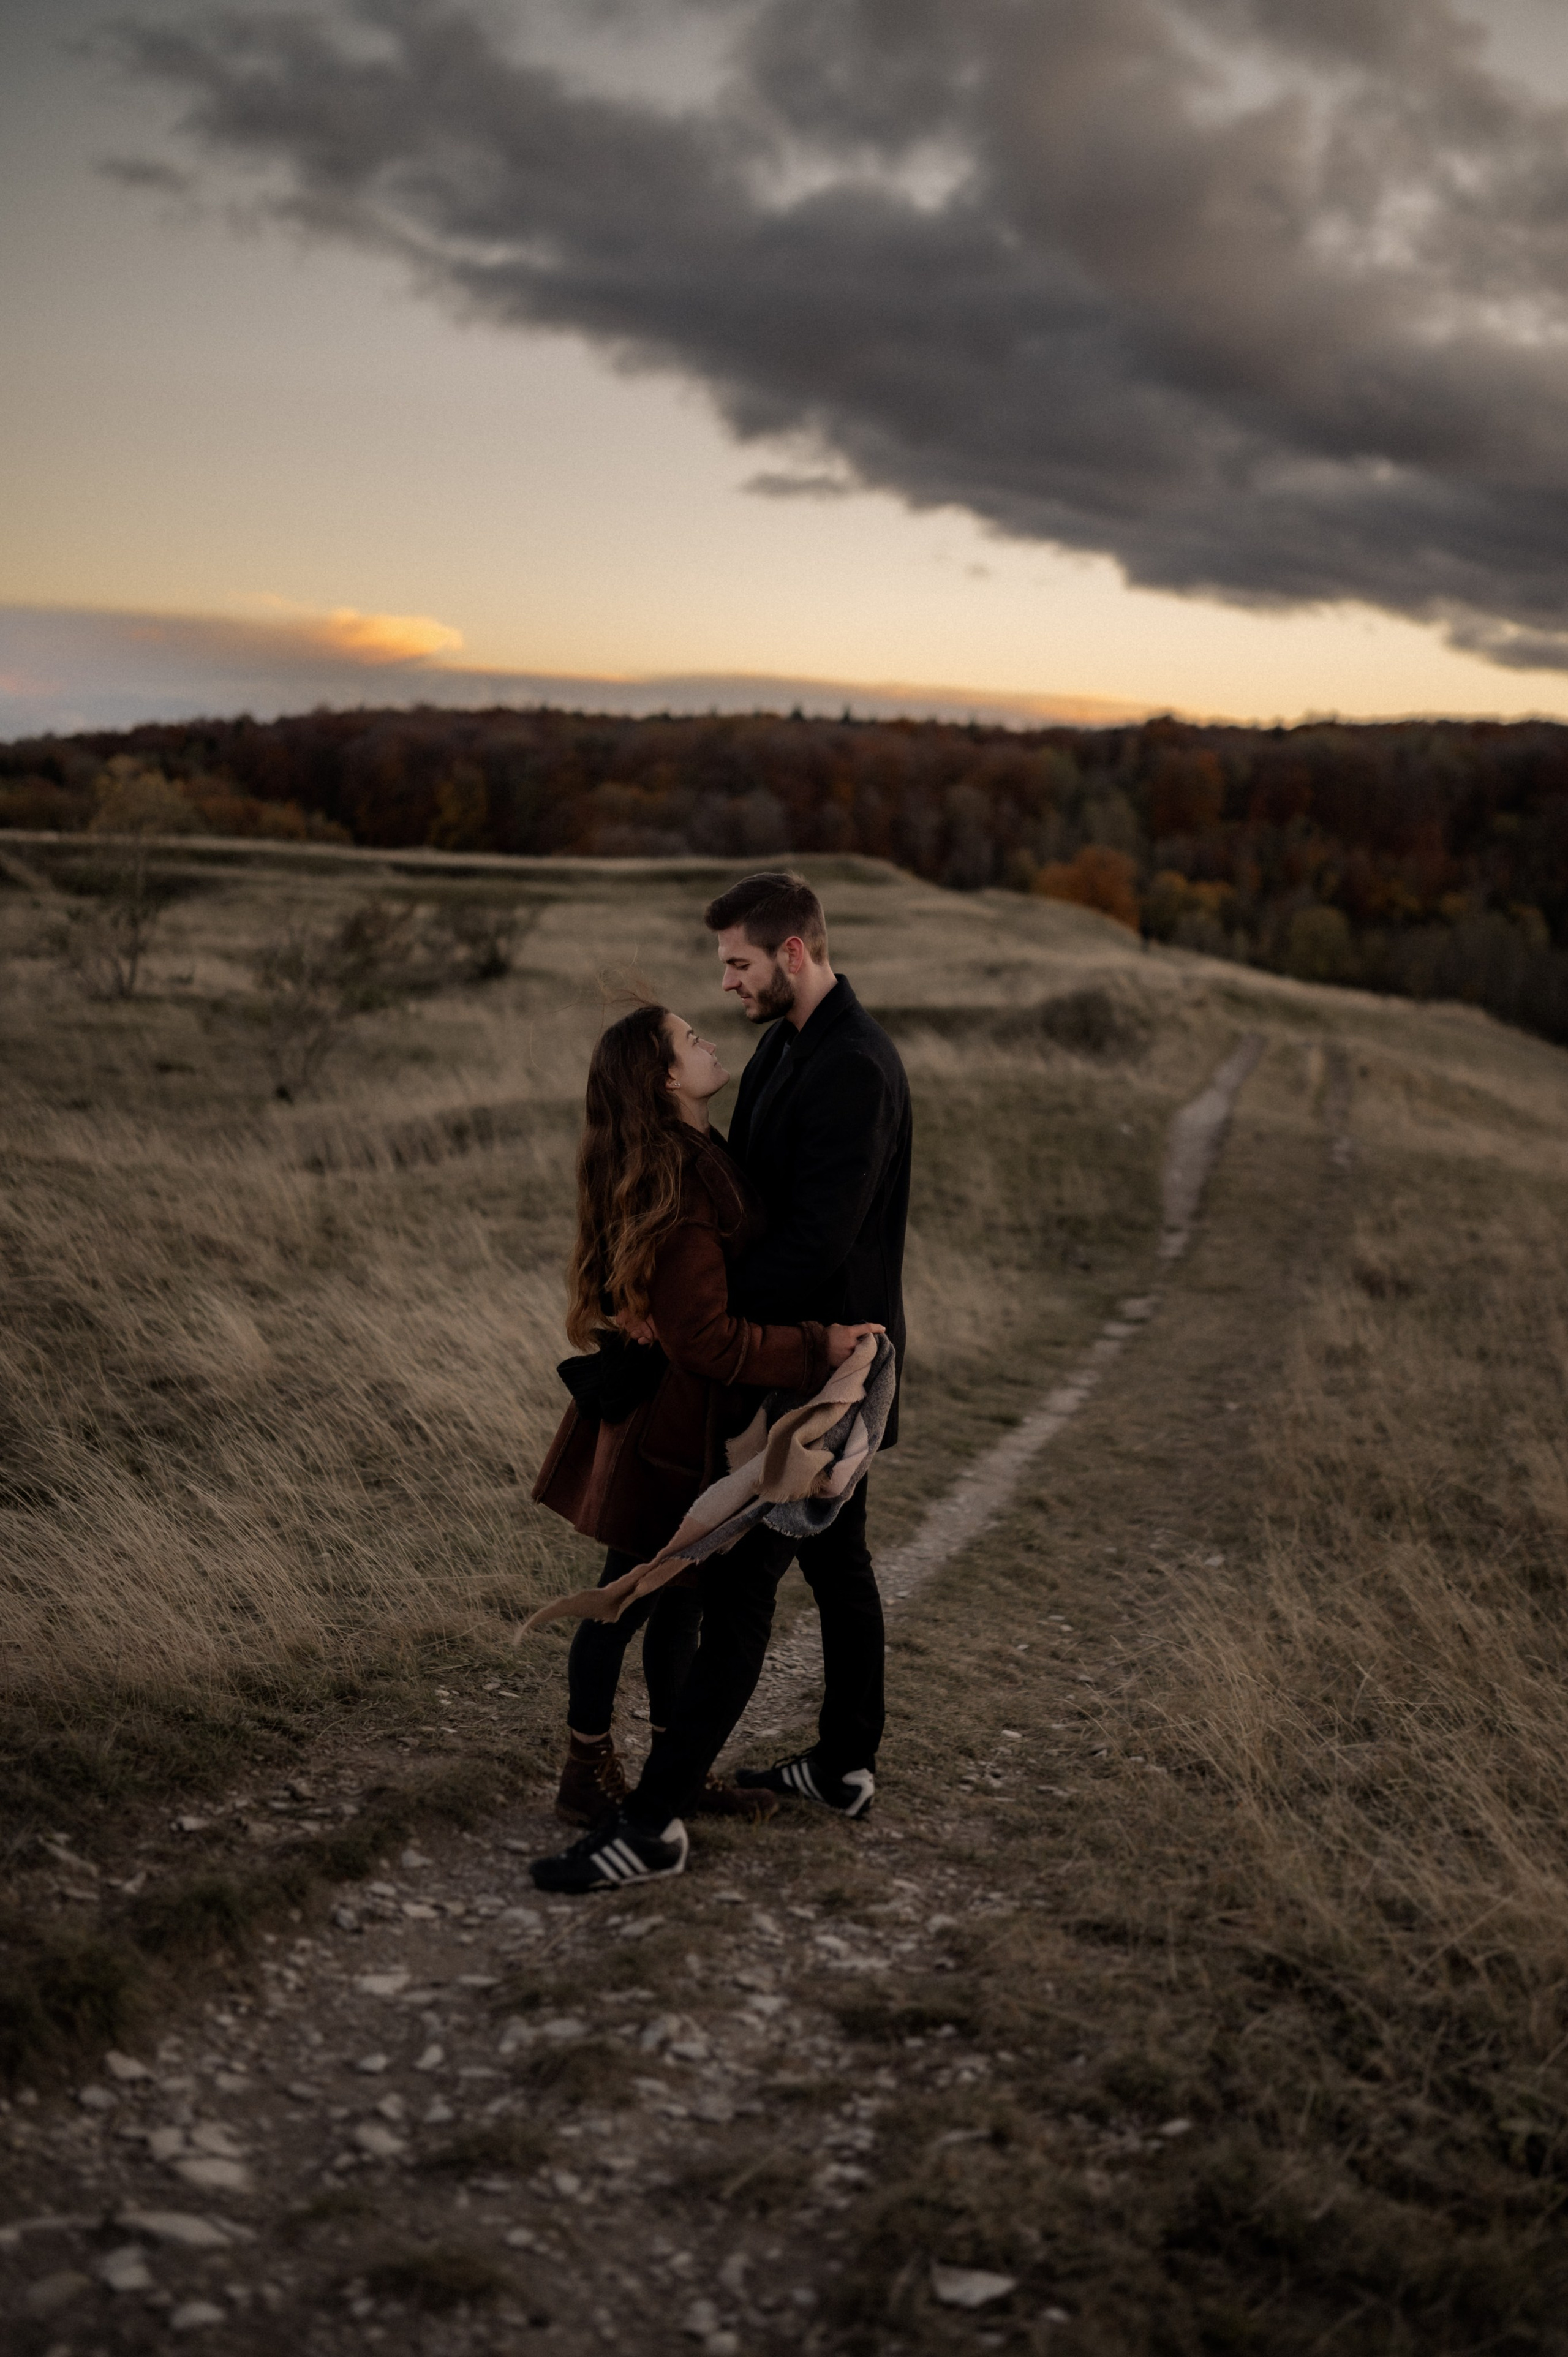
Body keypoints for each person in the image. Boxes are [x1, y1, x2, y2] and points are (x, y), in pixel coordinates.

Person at [529, 1000, 882, 1888]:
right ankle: (588, 1767)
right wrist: (817, 1347)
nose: (710, 1039)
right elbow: (709, 1341)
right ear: (665, 1080)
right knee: (627, 1592)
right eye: (691, 1040)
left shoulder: (694, 1154)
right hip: (670, 1430)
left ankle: (667, 1778)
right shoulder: (686, 1182)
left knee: (671, 1597)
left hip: (686, 1424)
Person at [703, 872, 911, 1819]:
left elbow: (821, 1240)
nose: (727, 985)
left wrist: (714, 1311)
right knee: (839, 1564)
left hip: (831, 1371)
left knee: (751, 1573)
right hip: (794, 1353)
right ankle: (845, 1765)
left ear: (794, 952)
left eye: (739, 963)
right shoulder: (785, 1048)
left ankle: (667, 1795)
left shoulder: (854, 1065)